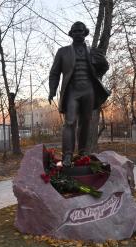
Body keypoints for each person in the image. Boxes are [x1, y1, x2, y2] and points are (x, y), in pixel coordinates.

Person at [49, 21, 110, 167]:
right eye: (75, 31)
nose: (77, 33)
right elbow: (55, 73)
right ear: (71, 33)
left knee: (85, 122)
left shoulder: (92, 51)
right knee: (69, 122)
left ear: (85, 33)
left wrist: (103, 64)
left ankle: (82, 154)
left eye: (80, 31)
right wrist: (52, 90)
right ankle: (67, 156)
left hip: (89, 90)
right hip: (72, 91)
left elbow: (101, 70)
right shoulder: (62, 52)